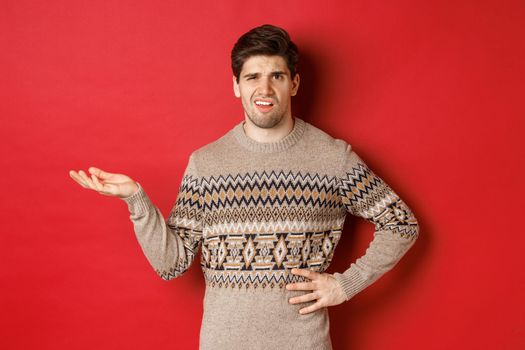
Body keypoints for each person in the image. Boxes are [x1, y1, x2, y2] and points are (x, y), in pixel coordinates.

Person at [69, 24, 419, 350]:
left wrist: (345, 285)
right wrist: (136, 200)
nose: (264, 89)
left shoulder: (333, 158)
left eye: (276, 76)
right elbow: (171, 264)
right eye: (252, 77)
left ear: (293, 84)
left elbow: (401, 223)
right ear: (236, 85)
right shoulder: (206, 164)